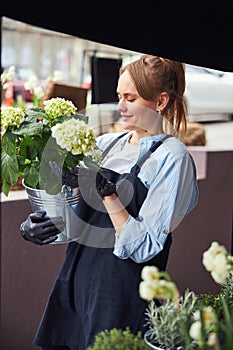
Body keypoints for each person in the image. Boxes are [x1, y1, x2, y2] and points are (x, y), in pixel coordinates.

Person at [20, 54, 198, 350]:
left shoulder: (173, 158)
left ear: (161, 101)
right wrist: (40, 225)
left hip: (121, 297)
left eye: (130, 98)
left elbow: (144, 247)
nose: (120, 106)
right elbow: (80, 222)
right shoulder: (105, 144)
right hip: (76, 283)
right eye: (119, 96)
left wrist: (108, 192)